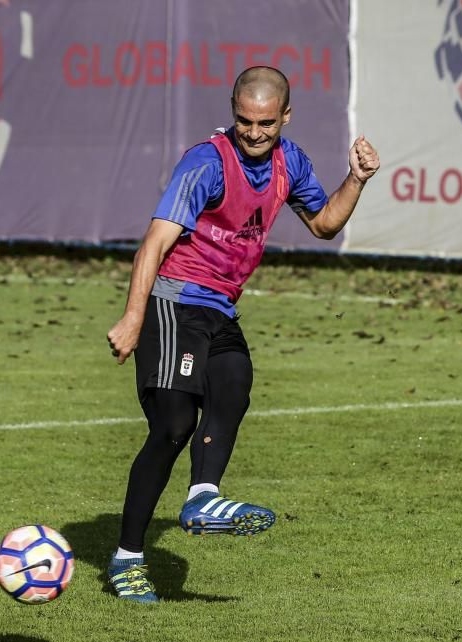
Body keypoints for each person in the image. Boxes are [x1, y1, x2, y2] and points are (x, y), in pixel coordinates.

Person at [105, 66, 380, 603]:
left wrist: (357, 179)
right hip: (175, 303)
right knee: (173, 426)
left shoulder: (289, 162)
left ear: (285, 117)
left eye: (266, 124)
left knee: (235, 380)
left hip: (220, 310)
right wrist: (133, 317)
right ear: (232, 111)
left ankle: (202, 498)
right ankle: (126, 559)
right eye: (245, 121)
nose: (254, 133)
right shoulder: (206, 164)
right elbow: (152, 246)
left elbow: (323, 224)